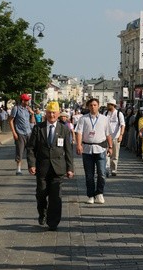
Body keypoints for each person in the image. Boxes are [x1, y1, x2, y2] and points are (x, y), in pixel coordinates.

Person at [26, 101, 74, 231]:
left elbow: (68, 150)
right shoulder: (38, 128)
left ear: (58, 114)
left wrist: (70, 168)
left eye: (54, 112)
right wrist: (31, 164)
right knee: (41, 194)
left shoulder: (64, 129)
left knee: (56, 197)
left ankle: (53, 222)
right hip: (42, 167)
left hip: (58, 168)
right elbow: (30, 148)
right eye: (49, 112)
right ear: (45, 113)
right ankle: (43, 213)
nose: (51, 115)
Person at [75, 98, 113, 204]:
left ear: (99, 106)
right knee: (89, 175)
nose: (93, 107)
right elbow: (79, 132)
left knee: (102, 173)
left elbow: (108, 134)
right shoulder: (83, 119)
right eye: (91, 105)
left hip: (100, 148)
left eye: (95, 105)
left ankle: (99, 192)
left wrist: (110, 146)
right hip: (87, 149)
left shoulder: (104, 119)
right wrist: (78, 145)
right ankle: (91, 195)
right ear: (88, 106)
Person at [9, 94, 35, 175]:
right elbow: (10, 121)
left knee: (30, 151)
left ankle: (31, 168)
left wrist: (32, 114)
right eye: (27, 100)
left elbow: (32, 122)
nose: (28, 102)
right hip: (20, 133)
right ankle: (18, 169)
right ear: (23, 101)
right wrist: (14, 132)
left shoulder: (28, 109)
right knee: (20, 151)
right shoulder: (16, 108)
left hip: (28, 132)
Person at [105, 99, 125, 176]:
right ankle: (107, 169)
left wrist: (121, 135)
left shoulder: (119, 114)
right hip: (107, 137)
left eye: (108, 104)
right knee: (106, 154)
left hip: (116, 137)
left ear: (113, 105)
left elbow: (122, 125)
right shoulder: (105, 113)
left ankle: (113, 169)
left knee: (115, 155)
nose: (107, 106)